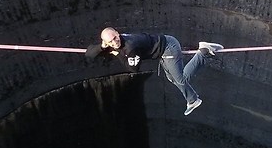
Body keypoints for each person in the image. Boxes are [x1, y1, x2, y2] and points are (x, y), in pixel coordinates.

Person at [85, 27, 223, 115]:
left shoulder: (131, 46)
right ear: (106, 42)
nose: (115, 42)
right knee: (172, 79)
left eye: (115, 37)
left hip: (168, 47)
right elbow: (89, 54)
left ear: (117, 32)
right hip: (162, 50)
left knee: (181, 79)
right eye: (110, 42)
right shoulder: (114, 43)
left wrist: (117, 54)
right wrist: (102, 47)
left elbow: (132, 69)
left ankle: (203, 52)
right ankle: (192, 99)